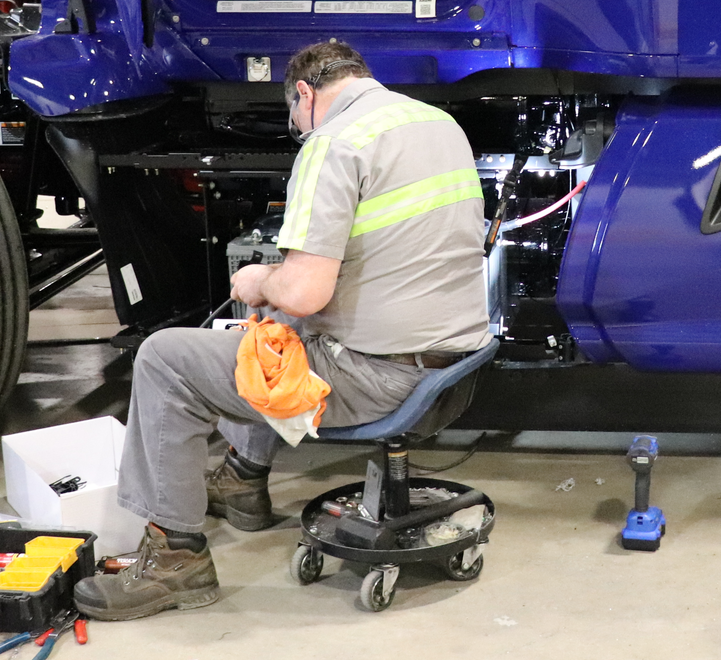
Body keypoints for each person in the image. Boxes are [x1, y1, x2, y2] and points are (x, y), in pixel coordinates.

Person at [74, 41, 492, 621]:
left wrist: (260, 278)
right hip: (452, 367)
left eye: (294, 119)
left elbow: (303, 291)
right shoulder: (435, 122)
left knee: (165, 356)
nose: (297, 130)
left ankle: (176, 558)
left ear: (304, 94)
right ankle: (243, 479)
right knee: (282, 331)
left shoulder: (333, 143)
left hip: (378, 377)